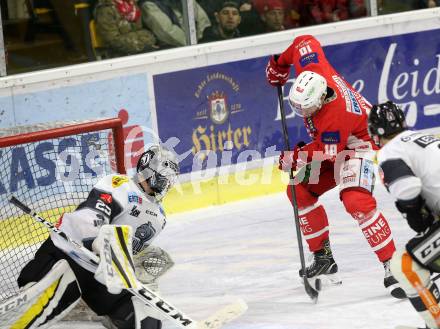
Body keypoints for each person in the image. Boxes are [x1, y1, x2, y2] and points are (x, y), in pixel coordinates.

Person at [265, 34, 405, 298]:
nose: (303, 114)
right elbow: (303, 41)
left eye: (306, 109)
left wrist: (293, 158)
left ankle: (393, 265)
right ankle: (323, 259)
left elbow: (327, 153)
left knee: (356, 201)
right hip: (334, 145)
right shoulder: (312, 68)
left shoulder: (337, 114)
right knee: (299, 191)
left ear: (319, 100)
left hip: (358, 146)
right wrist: (279, 64)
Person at [11, 145, 179, 329]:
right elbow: (91, 217)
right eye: (163, 179)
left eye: (169, 181)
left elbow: (128, 252)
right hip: (67, 254)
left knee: (146, 320)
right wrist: (99, 240)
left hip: (100, 275)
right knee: (36, 309)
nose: (166, 185)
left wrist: (136, 266)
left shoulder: (159, 219)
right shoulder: (119, 185)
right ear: (148, 171)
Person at [368, 101, 440, 329]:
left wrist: (418, 218)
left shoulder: (391, 151)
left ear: (376, 132)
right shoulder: (423, 138)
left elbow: (407, 190)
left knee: (405, 265)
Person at [139, 0, 211, 48]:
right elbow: (168, 32)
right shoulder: (148, 4)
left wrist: (202, 39)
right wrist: (193, 46)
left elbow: (202, 20)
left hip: (199, 43)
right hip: (173, 49)